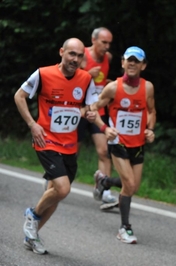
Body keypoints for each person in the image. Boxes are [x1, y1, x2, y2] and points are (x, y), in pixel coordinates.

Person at [14, 38, 98, 254]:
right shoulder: (43, 74)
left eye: (79, 56)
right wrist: (33, 125)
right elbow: (19, 96)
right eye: (71, 54)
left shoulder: (86, 79)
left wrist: (90, 113)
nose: (75, 59)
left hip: (69, 144)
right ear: (61, 52)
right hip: (46, 139)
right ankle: (32, 214)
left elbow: (90, 107)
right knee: (62, 188)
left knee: (56, 194)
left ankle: (31, 236)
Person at [90, 46, 156, 244]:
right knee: (128, 184)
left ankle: (105, 181)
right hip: (118, 142)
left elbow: (152, 111)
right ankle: (124, 228)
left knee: (133, 186)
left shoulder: (148, 88)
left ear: (143, 65)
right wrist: (104, 129)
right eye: (129, 60)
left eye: (137, 61)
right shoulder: (113, 88)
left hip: (138, 144)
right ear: (122, 63)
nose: (132, 63)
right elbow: (92, 108)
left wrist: (150, 129)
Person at [77, 27, 118, 210]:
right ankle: (54, 179)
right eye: (104, 42)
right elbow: (66, 78)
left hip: (97, 111)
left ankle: (105, 191)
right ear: (93, 41)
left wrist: (108, 84)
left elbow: (101, 81)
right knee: (72, 152)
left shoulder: (107, 58)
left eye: (109, 43)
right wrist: (86, 74)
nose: (107, 47)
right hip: (79, 110)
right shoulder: (81, 55)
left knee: (103, 151)